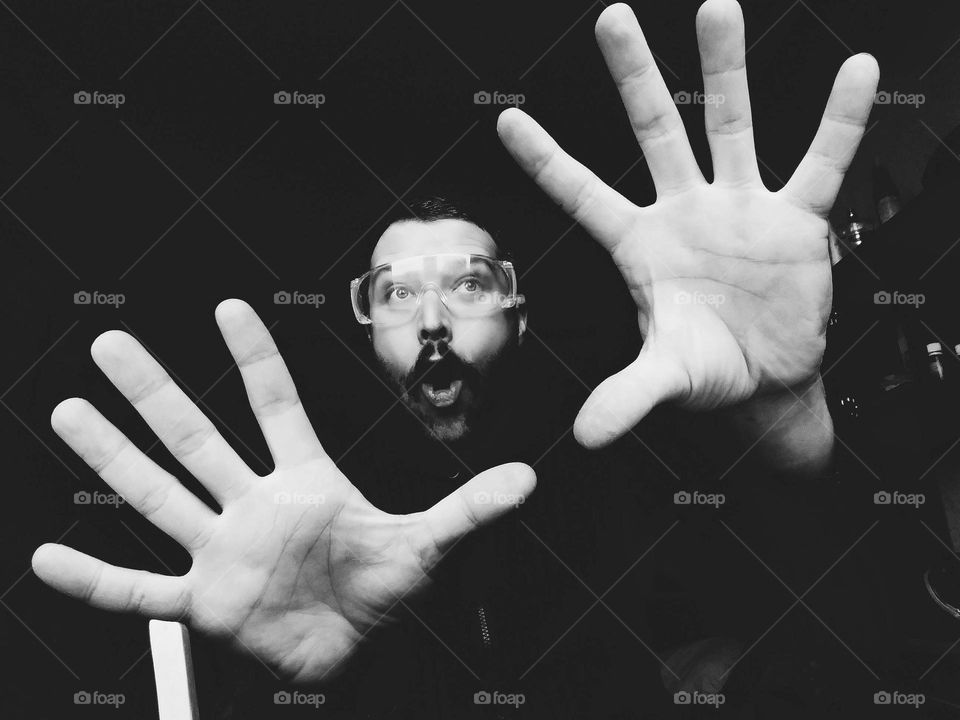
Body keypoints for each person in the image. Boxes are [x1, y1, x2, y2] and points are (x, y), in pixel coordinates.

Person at [30, 0, 881, 716]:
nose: (431, 321)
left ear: (521, 320)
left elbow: (852, 628)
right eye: (396, 294)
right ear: (366, 330)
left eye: (469, 286)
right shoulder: (293, 512)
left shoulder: (635, 461)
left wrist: (790, 428)